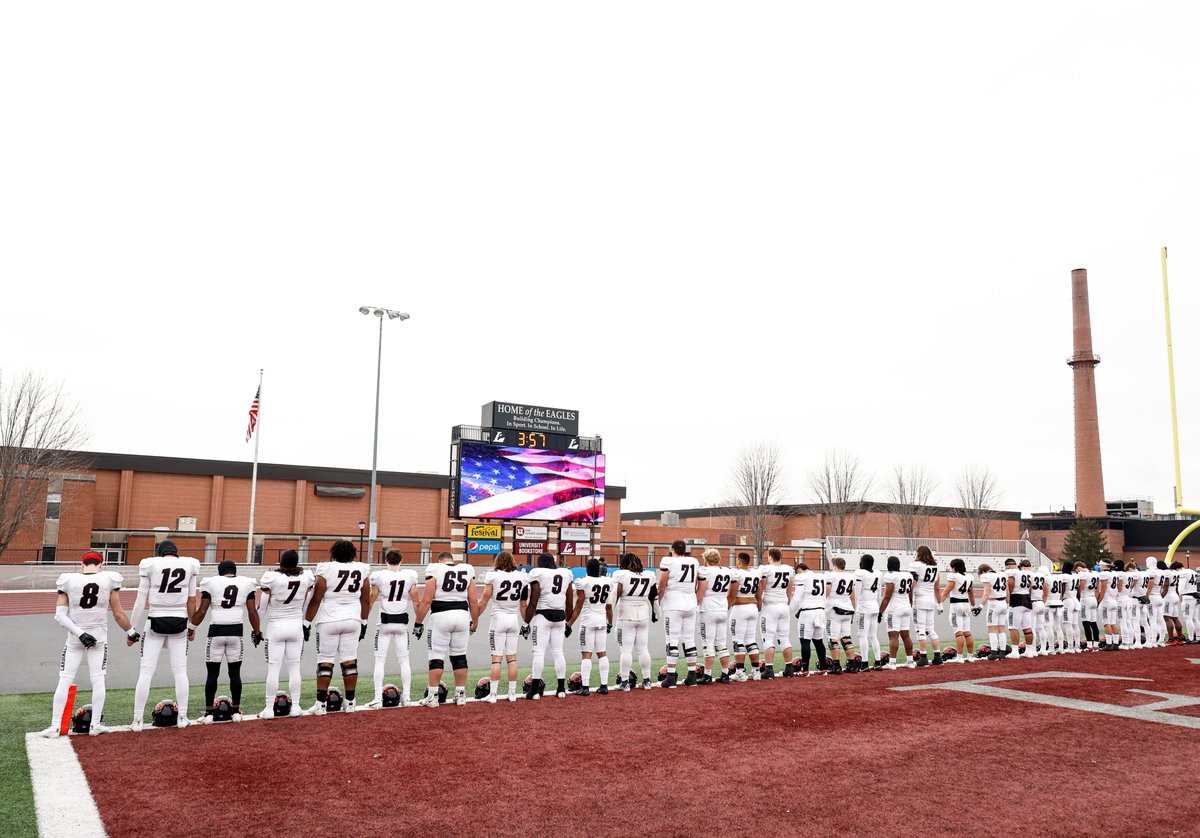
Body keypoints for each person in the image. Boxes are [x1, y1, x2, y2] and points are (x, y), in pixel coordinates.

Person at [40, 551, 137, 738]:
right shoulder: (109, 579)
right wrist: (131, 632)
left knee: (65, 679)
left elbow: (60, 616)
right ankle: (95, 725)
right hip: (98, 637)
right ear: (101, 564)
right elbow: (118, 614)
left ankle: (55, 726)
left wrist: (80, 634)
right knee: (98, 679)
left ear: (82, 563)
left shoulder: (68, 580)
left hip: (75, 637)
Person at [129, 540, 201, 730]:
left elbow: (140, 601)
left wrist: (131, 629)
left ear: (160, 553)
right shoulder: (189, 564)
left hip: (155, 621)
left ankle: (137, 720)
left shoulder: (151, 564)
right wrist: (192, 626)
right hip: (180, 622)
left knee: (146, 672)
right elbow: (191, 601)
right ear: (176, 552)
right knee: (180, 672)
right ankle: (182, 717)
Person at [303, 539, 370, 714]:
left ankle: (320, 704)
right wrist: (364, 622)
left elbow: (316, 599)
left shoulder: (326, 569)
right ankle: (350, 702)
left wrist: (306, 622)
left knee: (325, 660)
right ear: (352, 554)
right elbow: (365, 599)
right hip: (353, 619)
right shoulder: (362, 569)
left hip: (329, 619)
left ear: (333, 553)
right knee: (350, 660)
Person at [190, 559, 261, 722]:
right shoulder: (246, 583)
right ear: (234, 571)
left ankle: (209, 713)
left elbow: (202, 610)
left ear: (220, 571)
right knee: (235, 673)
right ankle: (236, 711)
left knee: (212, 674)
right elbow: (252, 612)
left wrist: (191, 628)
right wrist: (257, 632)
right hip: (236, 632)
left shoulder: (211, 582)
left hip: (216, 632)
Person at [414, 550, 479, 707]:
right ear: (451, 560)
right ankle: (461, 695)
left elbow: (427, 601)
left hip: (441, 616)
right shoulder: (467, 569)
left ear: (439, 561)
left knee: (436, 656)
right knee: (460, 656)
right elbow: (473, 600)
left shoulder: (435, 569)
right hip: (462, 616)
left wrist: (418, 622)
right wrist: (475, 621)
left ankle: (433, 696)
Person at [256, 550, 314, 718]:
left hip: (276, 626)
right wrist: (305, 623)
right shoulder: (306, 577)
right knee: (294, 668)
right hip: (296, 626)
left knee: (273, 669)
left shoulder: (272, 578)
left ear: (281, 562)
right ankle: (295, 706)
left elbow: (263, 607)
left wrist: (256, 629)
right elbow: (307, 603)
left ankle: (269, 709)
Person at [368, 549, 419, 708]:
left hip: (384, 622)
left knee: (379, 660)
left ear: (386, 561)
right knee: (404, 660)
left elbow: (371, 600)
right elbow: (416, 601)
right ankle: (407, 697)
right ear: (401, 560)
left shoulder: (379, 576)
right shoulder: (409, 576)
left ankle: (378, 697)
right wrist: (419, 621)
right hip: (401, 622)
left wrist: (363, 620)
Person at [474, 550, 525, 703]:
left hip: (498, 619)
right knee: (512, 658)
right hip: (513, 619)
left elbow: (483, 601)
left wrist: (474, 618)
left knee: (496, 659)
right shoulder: (521, 576)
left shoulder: (494, 576)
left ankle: (493, 694)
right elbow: (523, 604)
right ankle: (512, 693)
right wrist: (526, 622)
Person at [523, 552, 574, 699]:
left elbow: (533, 601)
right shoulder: (566, 574)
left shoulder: (538, 573)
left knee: (539, 652)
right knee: (558, 652)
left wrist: (526, 623)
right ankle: (561, 689)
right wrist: (568, 622)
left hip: (543, 615)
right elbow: (569, 602)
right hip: (560, 617)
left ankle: (534, 691)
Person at [657, 539, 703, 688]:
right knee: (689, 639)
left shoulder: (668, 561)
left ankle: (671, 676)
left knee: (672, 639)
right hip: (690, 603)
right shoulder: (694, 561)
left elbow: (662, 585)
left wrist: (657, 603)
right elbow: (697, 582)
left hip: (673, 604)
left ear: (673, 550)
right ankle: (692, 676)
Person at [568, 558, 615, 696]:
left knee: (586, 654)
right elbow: (608, 607)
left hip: (588, 621)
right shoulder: (607, 582)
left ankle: (585, 687)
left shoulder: (583, 582)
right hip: (602, 620)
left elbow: (578, 606)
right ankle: (604, 685)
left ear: (587, 569)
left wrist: (569, 624)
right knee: (602, 653)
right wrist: (609, 622)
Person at [612, 553, 657, 690]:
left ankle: (625, 682)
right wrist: (656, 612)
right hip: (643, 615)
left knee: (626, 650)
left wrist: (608, 614)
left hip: (626, 615)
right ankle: (647, 680)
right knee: (643, 649)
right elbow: (653, 596)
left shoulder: (621, 575)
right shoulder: (649, 575)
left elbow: (615, 596)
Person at [697, 548, 735, 683]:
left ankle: (707, 675)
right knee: (721, 644)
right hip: (722, 608)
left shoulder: (704, 571)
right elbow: (730, 591)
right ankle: (725, 673)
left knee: (708, 644)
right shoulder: (727, 571)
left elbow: (700, 593)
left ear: (706, 560)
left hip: (708, 609)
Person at [757, 547, 795, 678]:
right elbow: (790, 590)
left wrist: (759, 603)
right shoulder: (788, 569)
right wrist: (787, 602)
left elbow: (761, 588)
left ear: (770, 557)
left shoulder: (766, 569)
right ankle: (789, 668)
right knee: (784, 638)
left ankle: (769, 669)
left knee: (767, 639)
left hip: (770, 607)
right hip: (783, 606)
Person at [728, 552, 763, 680]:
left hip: (740, 609)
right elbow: (759, 594)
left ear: (739, 561)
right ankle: (756, 671)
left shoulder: (737, 573)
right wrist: (758, 606)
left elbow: (732, 595)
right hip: (753, 608)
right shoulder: (756, 573)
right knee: (751, 640)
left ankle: (740, 671)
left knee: (738, 641)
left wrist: (726, 607)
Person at [909, 546, 943, 666]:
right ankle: (937, 656)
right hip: (931, 600)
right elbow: (937, 589)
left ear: (919, 554)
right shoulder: (936, 567)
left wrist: (909, 599)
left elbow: (912, 584)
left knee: (920, 630)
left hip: (919, 600)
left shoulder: (916, 566)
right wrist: (940, 603)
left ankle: (923, 657)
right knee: (930, 629)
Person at [878, 556, 914, 669]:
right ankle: (910, 661)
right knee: (906, 636)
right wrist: (910, 605)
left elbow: (887, 597)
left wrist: (880, 612)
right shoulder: (908, 575)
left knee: (893, 636)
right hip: (906, 606)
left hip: (894, 608)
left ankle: (892, 663)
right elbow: (910, 594)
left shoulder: (890, 576)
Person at [937, 558, 976, 662]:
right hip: (966, 605)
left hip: (956, 606)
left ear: (954, 567)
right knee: (967, 633)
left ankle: (959, 657)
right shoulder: (969, 577)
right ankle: (970, 656)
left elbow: (946, 591)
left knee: (958, 633)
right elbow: (971, 594)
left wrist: (939, 603)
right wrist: (973, 606)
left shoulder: (954, 576)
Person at [792, 562, 828, 675]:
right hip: (820, 611)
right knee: (819, 641)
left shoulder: (802, 577)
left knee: (805, 641)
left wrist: (787, 610)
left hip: (807, 612)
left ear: (800, 570)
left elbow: (796, 598)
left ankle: (805, 670)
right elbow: (824, 597)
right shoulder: (821, 576)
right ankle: (823, 669)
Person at [826, 557, 859, 673]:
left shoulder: (831, 575)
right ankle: (851, 664)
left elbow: (826, 592)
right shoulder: (851, 576)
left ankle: (836, 666)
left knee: (833, 639)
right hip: (848, 609)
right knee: (846, 638)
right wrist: (853, 610)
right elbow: (853, 597)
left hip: (835, 610)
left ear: (835, 566)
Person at [853, 554, 883, 669]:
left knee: (862, 635)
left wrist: (855, 608)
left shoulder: (860, 573)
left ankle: (865, 663)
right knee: (873, 636)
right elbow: (879, 594)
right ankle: (878, 662)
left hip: (864, 607)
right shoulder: (878, 573)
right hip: (875, 606)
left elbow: (857, 594)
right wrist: (879, 609)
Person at [1006, 558, 1037, 657]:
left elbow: (1010, 588)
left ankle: (1015, 651)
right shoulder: (1029, 573)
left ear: (1009, 566)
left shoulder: (1012, 572)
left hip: (1016, 599)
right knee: (1027, 627)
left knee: (1013, 627)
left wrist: (1008, 598)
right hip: (1027, 598)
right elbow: (1031, 587)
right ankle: (1029, 650)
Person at [978, 562, 1009, 660]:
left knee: (991, 629)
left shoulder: (986, 576)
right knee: (1001, 629)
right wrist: (1007, 604)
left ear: (983, 571)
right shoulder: (1003, 574)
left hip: (993, 604)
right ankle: (1003, 652)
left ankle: (994, 652)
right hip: (1003, 603)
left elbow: (986, 593)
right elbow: (1007, 593)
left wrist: (980, 606)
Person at [1044, 563, 1069, 655]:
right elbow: (1061, 591)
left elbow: (1045, 593)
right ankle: (1061, 647)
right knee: (1058, 627)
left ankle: (1051, 648)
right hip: (1058, 603)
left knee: (1048, 626)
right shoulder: (1058, 578)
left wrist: (1043, 602)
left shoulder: (1046, 579)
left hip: (1049, 604)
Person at [1076, 560, 1101, 652]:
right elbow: (1098, 588)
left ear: (1078, 568)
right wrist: (1096, 599)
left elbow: (1081, 588)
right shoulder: (1095, 573)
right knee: (1093, 622)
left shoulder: (1082, 574)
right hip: (1093, 598)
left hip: (1085, 599)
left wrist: (1078, 598)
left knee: (1086, 622)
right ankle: (1096, 645)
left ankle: (1089, 645)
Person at [1097, 560, 1121, 651]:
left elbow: (1103, 589)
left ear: (1104, 566)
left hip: (1106, 601)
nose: (1100, 566)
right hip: (1114, 600)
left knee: (1106, 623)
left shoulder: (1104, 574)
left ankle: (1109, 644)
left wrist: (1099, 600)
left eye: (1101, 565)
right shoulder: (1115, 573)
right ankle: (1116, 644)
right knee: (1113, 623)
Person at [1029, 564, 1050, 655]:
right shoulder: (1043, 578)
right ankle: (1043, 649)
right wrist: (1043, 603)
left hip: (1033, 602)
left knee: (1032, 628)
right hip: (1041, 602)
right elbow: (1045, 594)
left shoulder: (1032, 576)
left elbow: (1029, 590)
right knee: (1041, 627)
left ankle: (1033, 649)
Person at [1062, 559, 1082, 653]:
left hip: (1067, 600)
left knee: (1068, 624)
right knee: (1075, 625)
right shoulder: (1076, 576)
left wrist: (1060, 598)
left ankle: (1070, 647)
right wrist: (1078, 600)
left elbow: (1063, 589)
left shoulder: (1064, 576)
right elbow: (1078, 590)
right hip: (1075, 600)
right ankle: (1077, 646)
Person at [1163, 561, 1184, 644]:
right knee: (1175, 619)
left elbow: (1165, 588)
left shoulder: (1168, 573)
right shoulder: (1177, 573)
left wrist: (1160, 597)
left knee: (1167, 618)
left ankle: (1171, 639)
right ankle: (1180, 639)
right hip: (1175, 595)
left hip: (1168, 596)